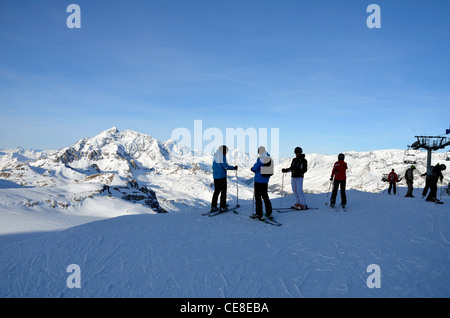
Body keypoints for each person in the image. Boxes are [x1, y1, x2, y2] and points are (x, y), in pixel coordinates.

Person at [211, 145, 238, 212]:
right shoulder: (222, 156)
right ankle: (223, 206)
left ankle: (213, 206)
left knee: (216, 191)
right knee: (223, 191)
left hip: (216, 176)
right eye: (226, 151)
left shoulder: (215, 156)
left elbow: (213, 166)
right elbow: (225, 166)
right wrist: (233, 168)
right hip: (222, 176)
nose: (226, 153)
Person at [250, 146, 273, 220]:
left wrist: (252, 169)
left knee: (258, 197)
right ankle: (269, 213)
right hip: (265, 180)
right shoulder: (269, 159)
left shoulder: (260, 159)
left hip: (258, 180)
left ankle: (259, 214)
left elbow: (255, 168)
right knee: (265, 197)